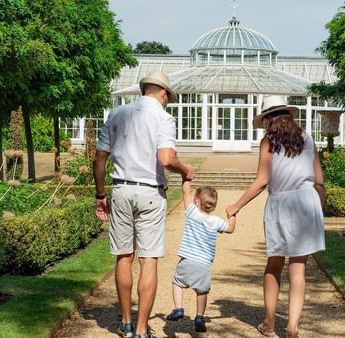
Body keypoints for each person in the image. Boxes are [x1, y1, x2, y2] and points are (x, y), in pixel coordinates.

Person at [93, 71, 195, 338]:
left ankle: (126, 322)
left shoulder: (117, 114)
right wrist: (185, 170)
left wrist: (100, 196)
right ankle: (141, 329)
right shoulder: (163, 117)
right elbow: (166, 158)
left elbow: (99, 158)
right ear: (163, 94)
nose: (167, 103)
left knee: (123, 257)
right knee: (148, 260)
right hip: (150, 192)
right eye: (168, 99)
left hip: (121, 189)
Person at [226, 95, 326, 338]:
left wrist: (235, 206)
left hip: (281, 203)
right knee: (298, 267)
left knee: (274, 264)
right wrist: (319, 211)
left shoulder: (268, 141)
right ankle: (292, 326)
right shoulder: (306, 138)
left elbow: (262, 181)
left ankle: (270, 324)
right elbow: (320, 181)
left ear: (267, 119)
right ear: (288, 115)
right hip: (306, 201)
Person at [165, 180, 236, 333]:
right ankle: (199, 317)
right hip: (204, 265)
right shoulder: (216, 221)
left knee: (177, 281)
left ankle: (178, 308)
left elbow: (185, 193)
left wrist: (186, 180)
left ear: (196, 202)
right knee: (202, 291)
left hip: (187, 260)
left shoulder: (192, 213)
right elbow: (230, 229)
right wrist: (232, 215)